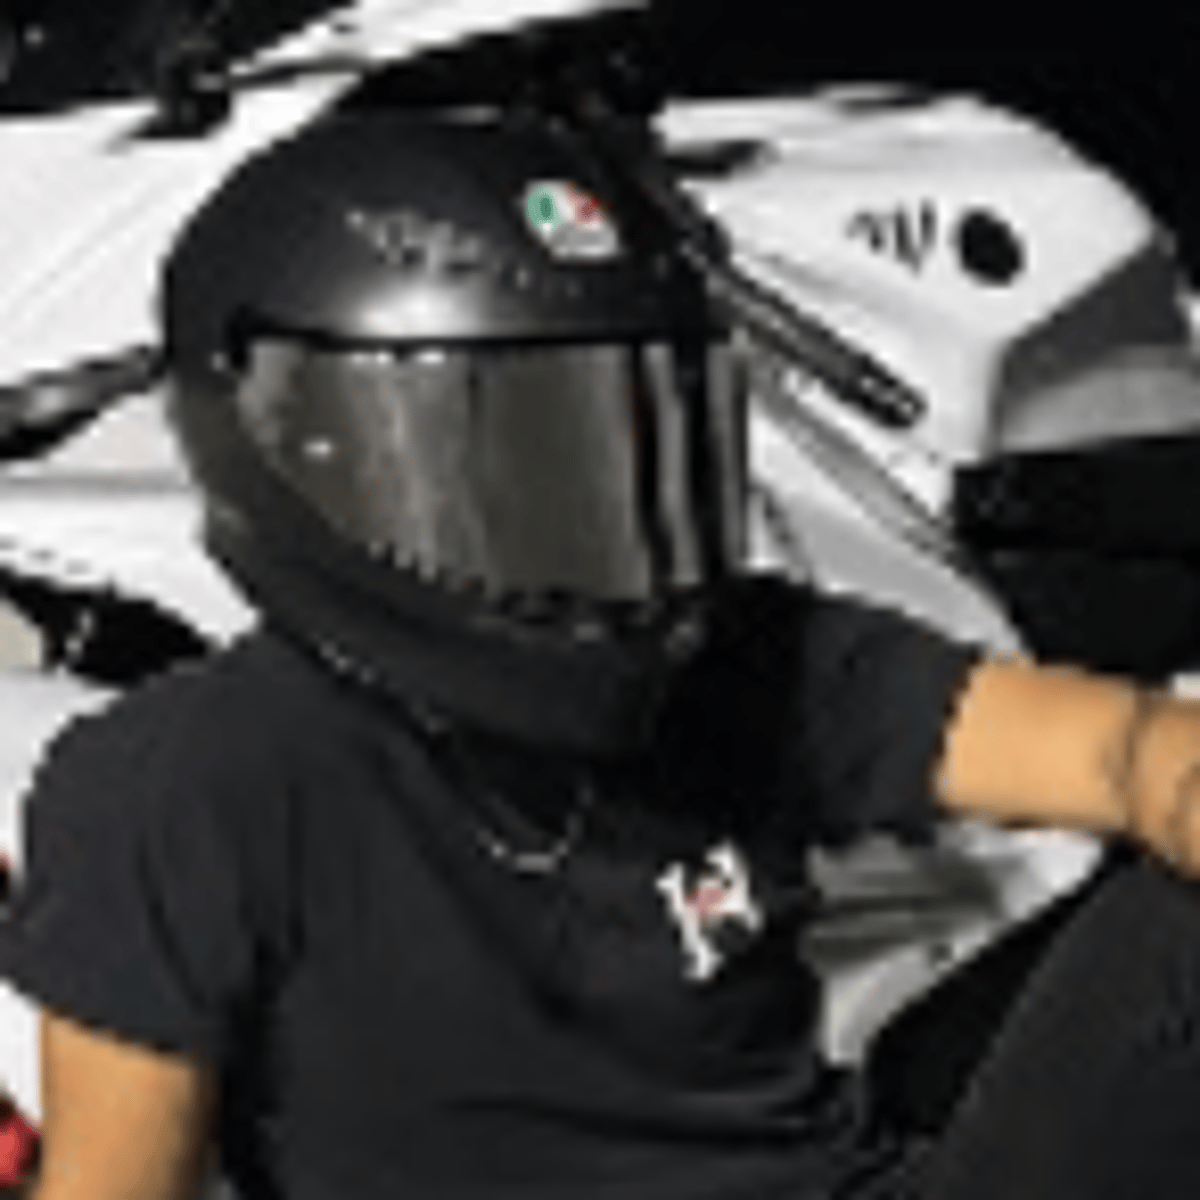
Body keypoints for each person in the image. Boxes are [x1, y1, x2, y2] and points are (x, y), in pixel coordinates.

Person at [5, 102, 1200, 1200]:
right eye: (510, 460)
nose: (592, 513)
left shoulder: (746, 657)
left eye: (624, 439)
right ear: (301, 447)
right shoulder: (177, 788)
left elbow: (1124, 750)